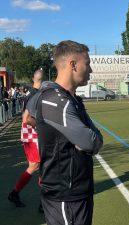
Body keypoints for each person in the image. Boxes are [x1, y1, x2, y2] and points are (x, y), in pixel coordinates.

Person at [27, 40, 103, 225]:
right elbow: (91, 142)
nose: (90, 70)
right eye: (88, 63)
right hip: (65, 195)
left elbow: (94, 139)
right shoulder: (55, 100)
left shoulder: (70, 98)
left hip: (77, 191)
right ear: (73, 65)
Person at [8, 69, 43, 208]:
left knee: (37, 166)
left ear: (33, 78)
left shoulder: (31, 92)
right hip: (32, 134)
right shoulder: (36, 94)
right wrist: (41, 125)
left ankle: (16, 193)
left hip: (28, 133)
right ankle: (43, 202)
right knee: (38, 165)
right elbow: (26, 118)